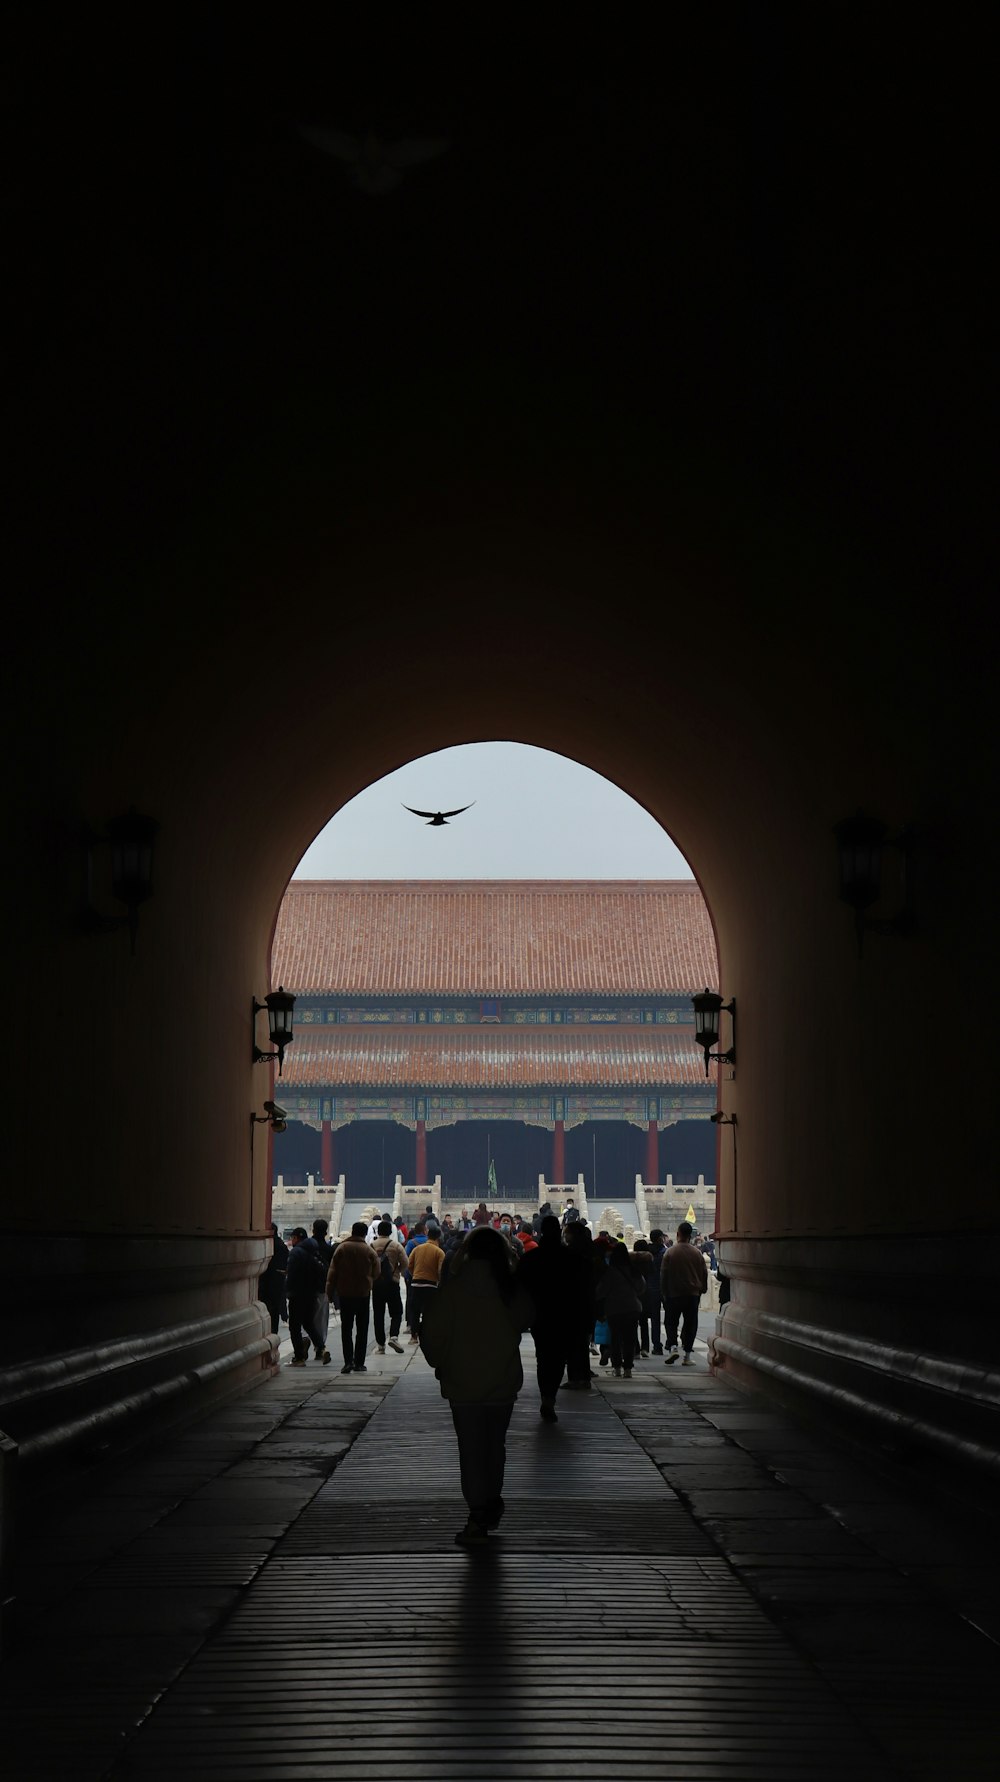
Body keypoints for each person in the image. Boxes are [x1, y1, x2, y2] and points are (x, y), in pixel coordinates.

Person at [420, 1226, 533, 1546]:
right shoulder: (510, 1288)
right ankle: (489, 1501)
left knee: (470, 1451)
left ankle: (478, 1511)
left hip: (462, 1384)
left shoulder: (453, 1289)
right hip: (502, 1382)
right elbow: (527, 1317)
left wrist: (441, 1362)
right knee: (495, 1448)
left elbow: (433, 1336)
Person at [520, 1215, 589, 1419]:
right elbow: (583, 1288)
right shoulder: (572, 1258)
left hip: (540, 1314)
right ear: (558, 1232)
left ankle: (546, 1397)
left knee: (543, 1356)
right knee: (559, 1357)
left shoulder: (531, 1258)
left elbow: (520, 1286)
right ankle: (550, 1396)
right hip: (565, 1314)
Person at [326, 1220, 379, 1373]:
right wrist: (368, 1280)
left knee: (346, 1329)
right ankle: (359, 1362)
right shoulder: (368, 1250)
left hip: (345, 1293)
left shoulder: (342, 1248)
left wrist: (329, 1293)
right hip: (363, 1294)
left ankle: (348, 1361)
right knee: (362, 1330)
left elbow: (332, 1273)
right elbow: (377, 1272)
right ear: (364, 1233)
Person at [661, 1220, 709, 1366]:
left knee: (671, 1322)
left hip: (674, 1294)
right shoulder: (697, 1253)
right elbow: (704, 1273)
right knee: (690, 1324)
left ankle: (674, 1347)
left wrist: (664, 1292)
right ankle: (687, 1356)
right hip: (693, 1294)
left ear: (678, 1234)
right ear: (690, 1235)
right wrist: (703, 1288)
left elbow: (664, 1274)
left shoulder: (670, 1252)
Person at [596, 1242, 643, 1378]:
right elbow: (641, 1287)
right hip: (632, 1308)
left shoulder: (610, 1272)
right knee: (630, 1339)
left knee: (615, 1339)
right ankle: (628, 1368)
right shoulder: (634, 1270)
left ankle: (617, 1367)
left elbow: (602, 1291)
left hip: (614, 1309)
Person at [285, 1227, 323, 1367]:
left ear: (296, 1238)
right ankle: (321, 1347)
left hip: (297, 1293)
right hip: (312, 1292)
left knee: (294, 1326)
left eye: (292, 1238)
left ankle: (299, 1357)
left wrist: (287, 1290)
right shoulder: (314, 1250)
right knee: (308, 1323)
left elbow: (292, 1274)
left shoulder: (296, 1252)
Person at [371, 1218, 408, 1354]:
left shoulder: (372, 1245)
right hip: (392, 1282)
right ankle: (393, 1336)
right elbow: (405, 1263)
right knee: (397, 1312)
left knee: (378, 1314)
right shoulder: (396, 1245)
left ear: (378, 1231)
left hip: (377, 1284)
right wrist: (397, 1271)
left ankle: (381, 1345)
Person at [406, 1221, 445, 1342]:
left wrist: (415, 1275)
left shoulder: (418, 1249)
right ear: (439, 1237)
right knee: (429, 1311)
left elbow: (409, 1265)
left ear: (428, 1235)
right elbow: (440, 1270)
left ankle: (413, 1336)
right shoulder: (439, 1252)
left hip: (416, 1283)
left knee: (415, 1310)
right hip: (431, 1284)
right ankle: (427, 1335)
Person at [305, 1217, 334, 1363]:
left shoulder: (306, 1246)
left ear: (313, 1229)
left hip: (307, 1287)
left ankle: (306, 1343)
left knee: (306, 1317)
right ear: (326, 1231)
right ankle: (320, 1347)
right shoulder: (328, 1248)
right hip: (323, 1287)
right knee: (322, 1319)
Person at [258, 1222, 288, 1335]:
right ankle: (273, 1333)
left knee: (268, 1310)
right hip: (278, 1283)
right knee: (275, 1311)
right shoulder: (282, 1245)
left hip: (267, 1283)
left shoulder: (270, 1244)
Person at [646, 1229, 668, 1353]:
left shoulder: (647, 1253)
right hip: (665, 1288)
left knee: (655, 1319)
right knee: (669, 1317)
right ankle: (671, 1342)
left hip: (650, 1288)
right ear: (660, 1238)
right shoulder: (665, 1252)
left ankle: (656, 1345)